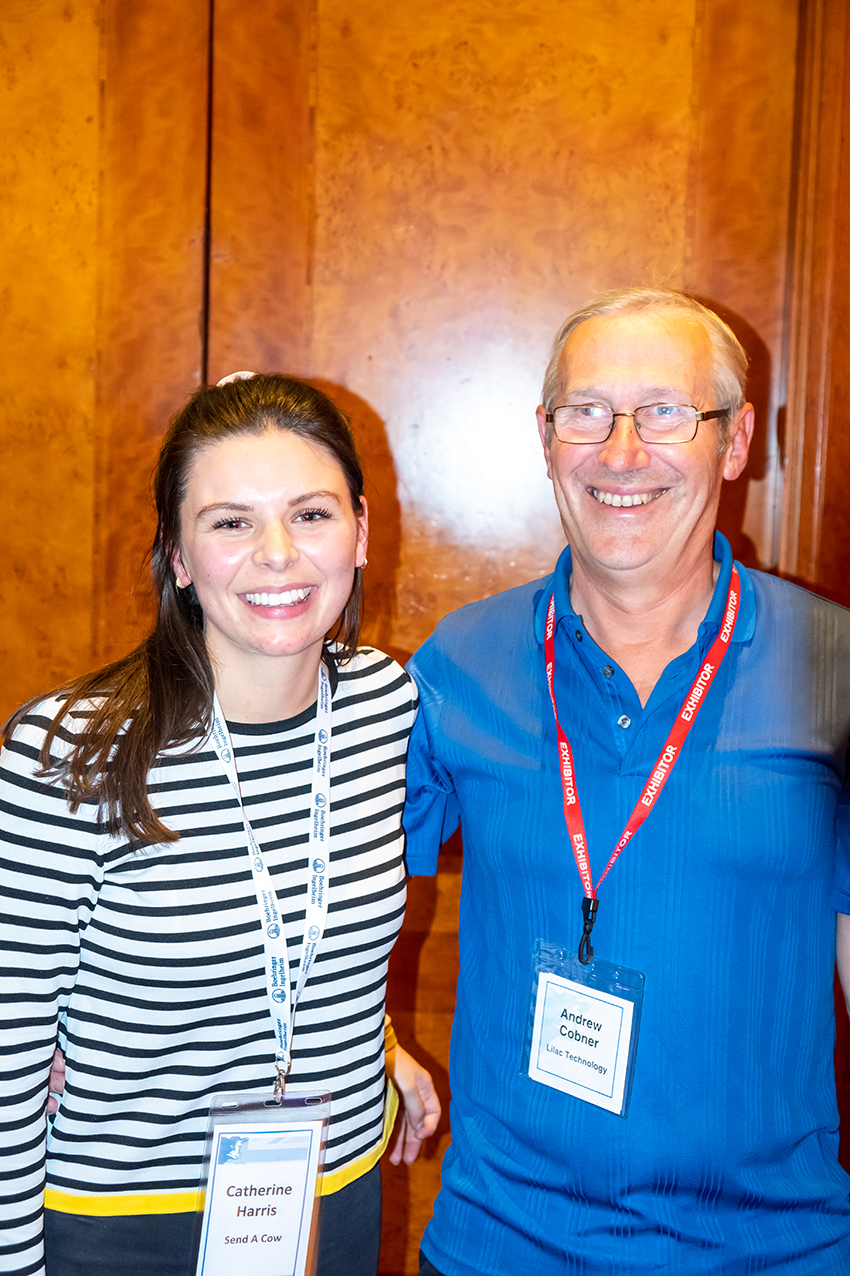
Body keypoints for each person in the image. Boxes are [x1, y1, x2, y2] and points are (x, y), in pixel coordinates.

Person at [403, 289, 850, 1274]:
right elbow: (322, 881)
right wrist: (373, 1042)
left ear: (734, 443)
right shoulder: (457, 664)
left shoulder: (834, 664)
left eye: (664, 412)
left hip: (776, 1250)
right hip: (498, 1245)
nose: (621, 451)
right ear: (545, 437)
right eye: (587, 412)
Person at [0, 373, 439, 1276]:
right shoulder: (71, 751)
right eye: (231, 522)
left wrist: (383, 1044)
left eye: (311, 514)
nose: (278, 554)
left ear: (360, 532)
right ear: (177, 556)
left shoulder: (387, 708)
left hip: (334, 1196)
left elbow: (302, 929)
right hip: (126, 1222)